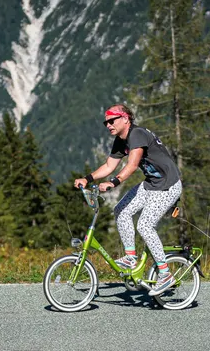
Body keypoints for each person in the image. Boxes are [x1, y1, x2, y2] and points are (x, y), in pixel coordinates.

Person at [73, 104, 182, 297]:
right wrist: (87, 178)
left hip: (168, 185)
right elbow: (108, 165)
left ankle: (165, 274)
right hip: (151, 184)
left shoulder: (137, 134)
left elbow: (131, 165)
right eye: (106, 122)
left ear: (125, 119)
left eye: (112, 120)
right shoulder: (120, 141)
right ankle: (131, 258)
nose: (108, 125)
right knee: (121, 210)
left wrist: (113, 183)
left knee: (145, 226)